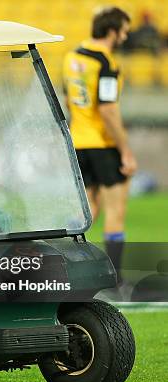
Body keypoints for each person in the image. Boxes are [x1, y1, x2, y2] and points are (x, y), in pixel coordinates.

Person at [63, 6, 137, 277]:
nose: (125, 38)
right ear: (112, 30)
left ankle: (66, 264)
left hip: (78, 142)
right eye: (124, 31)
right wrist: (126, 151)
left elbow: (68, 100)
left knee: (88, 209)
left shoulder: (71, 58)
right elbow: (107, 109)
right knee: (116, 211)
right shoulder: (106, 63)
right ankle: (116, 278)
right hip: (102, 144)